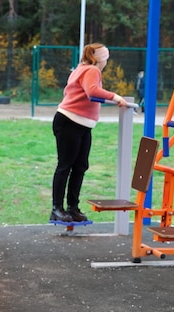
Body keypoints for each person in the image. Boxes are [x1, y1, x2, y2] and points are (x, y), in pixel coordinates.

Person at [50, 43, 128, 223]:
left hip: (79, 124)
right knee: (66, 166)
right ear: (102, 59)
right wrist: (115, 97)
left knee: (80, 166)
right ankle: (57, 209)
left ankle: (72, 208)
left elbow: (72, 91)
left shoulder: (81, 68)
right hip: (70, 121)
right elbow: (92, 90)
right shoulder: (92, 70)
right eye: (106, 58)